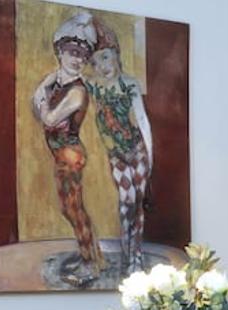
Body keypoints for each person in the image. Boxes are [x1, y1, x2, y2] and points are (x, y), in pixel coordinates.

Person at [31, 11, 102, 286]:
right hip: (61, 155)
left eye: (83, 56)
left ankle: (90, 264)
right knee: (71, 208)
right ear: (60, 51)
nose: (78, 60)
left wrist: (42, 100)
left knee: (73, 209)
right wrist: (43, 89)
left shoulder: (77, 91)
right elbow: (43, 87)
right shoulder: (60, 79)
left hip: (70, 155)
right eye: (73, 52)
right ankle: (94, 256)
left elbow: (49, 118)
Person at [88, 17, 154, 275]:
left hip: (136, 150)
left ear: (116, 54)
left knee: (137, 202)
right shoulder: (93, 86)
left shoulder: (130, 83)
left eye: (106, 57)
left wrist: (150, 158)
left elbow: (142, 120)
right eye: (95, 62)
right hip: (116, 154)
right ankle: (128, 252)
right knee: (126, 200)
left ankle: (135, 256)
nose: (102, 66)